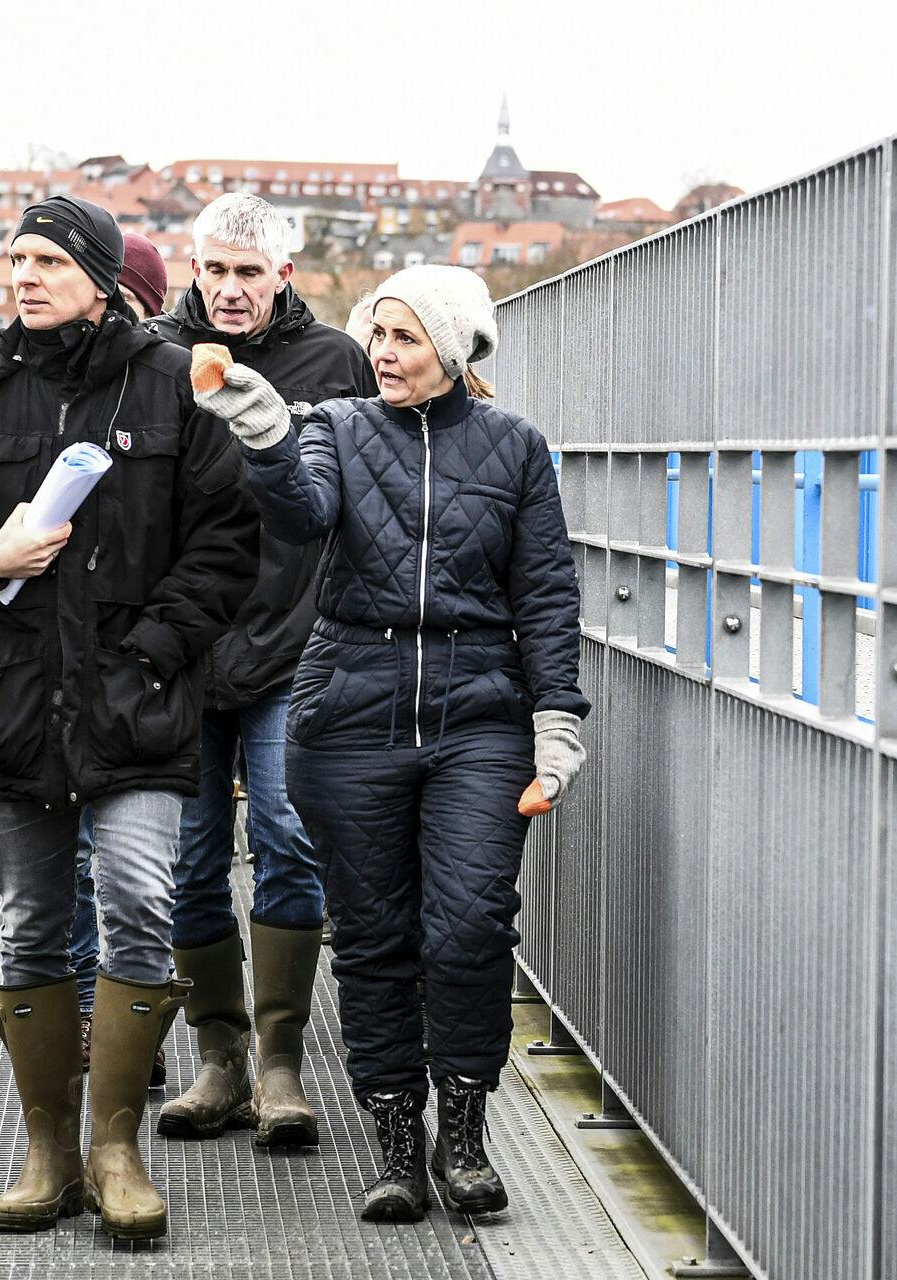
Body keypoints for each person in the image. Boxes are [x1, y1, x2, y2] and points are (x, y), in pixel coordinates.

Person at [0, 197, 258, 1241]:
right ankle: (47, 1147)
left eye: (47, 259)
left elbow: (228, 538)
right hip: (14, 702)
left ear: (98, 273)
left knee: (139, 898)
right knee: (32, 921)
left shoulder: (169, 383)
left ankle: (118, 1146)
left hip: (135, 705)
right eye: (15, 260)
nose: (24, 277)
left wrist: (154, 649)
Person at [192, 264, 589, 1222]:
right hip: (350, 714)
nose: (382, 353)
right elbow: (301, 512)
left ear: (452, 349)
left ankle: (464, 1132)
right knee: (374, 940)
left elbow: (544, 593)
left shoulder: (516, 448)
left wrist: (557, 722)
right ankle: (396, 1148)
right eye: (377, 335)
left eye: (405, 338)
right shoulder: (336, 425)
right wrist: (266, 433)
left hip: (480, 719)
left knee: (470, 925)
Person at [143, 193, 378, 1150]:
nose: (230, 290)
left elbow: (369, 495)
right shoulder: (156, 362)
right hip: (184, 645)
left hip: (295, 639)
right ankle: (219, 1054)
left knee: (286, 835)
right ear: (194, 268)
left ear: (286, 275)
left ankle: (281, 1059)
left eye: (250, 273)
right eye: (215, 270)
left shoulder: (335, 365)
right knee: (191, 856)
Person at [66, 231, 173, 1088]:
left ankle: (124, 1044)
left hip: (142, 669)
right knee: (60, 877)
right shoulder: (18, 384)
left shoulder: (166, 391)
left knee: (134, 877)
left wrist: (159, 643)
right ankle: (80, 1042)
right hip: (47, 671)